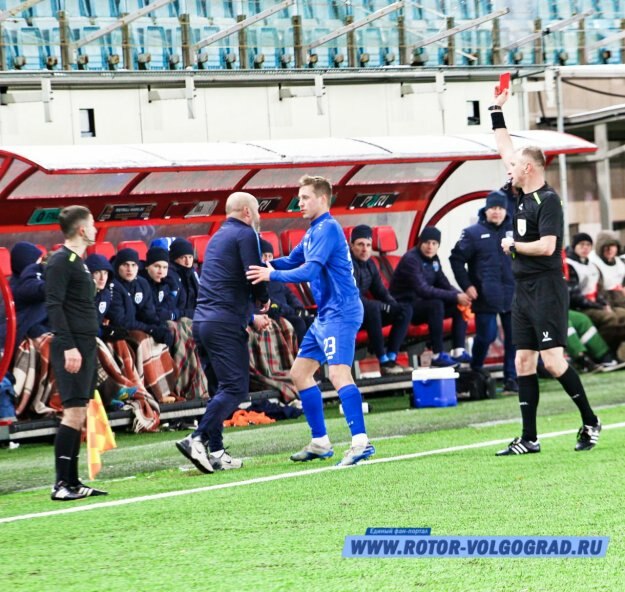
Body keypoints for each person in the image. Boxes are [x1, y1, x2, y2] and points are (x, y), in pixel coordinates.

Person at [491, 88, 601, 455]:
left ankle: (590, 421)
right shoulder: (521, 193)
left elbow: (548, 247)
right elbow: (504, 147)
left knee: (552, 361)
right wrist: (496, 109)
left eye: (513, 167)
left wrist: (513, 246)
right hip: (523, 288)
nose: (507, 169)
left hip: (547, 287)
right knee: (523, 360)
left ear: (528, 169)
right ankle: (529, 438)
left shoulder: (548, 201)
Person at [247, 175, 375, 467]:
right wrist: (262, 266)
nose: (300, 203)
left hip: (341, 312)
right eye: (300, 197)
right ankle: (320, 442)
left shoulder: (328, 228)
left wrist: (270, 274)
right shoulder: (314, 230)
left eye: (305, 197)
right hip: (327, 314)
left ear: (322, 199)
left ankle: (360, 443)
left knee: (338, 374)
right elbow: (293, 261)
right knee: (300, 373)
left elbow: (309, 271)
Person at [176, 192, 270, 474]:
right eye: (257, 211)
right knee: (236, 388)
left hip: (202, 323)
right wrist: (263, 298)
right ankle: (197, 439)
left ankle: (216, 451)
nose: (259, 217)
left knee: (218, 389)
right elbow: (254, 272)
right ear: (247, 212)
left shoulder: (217, 236)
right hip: (225, 323)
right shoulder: (246, 234)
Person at [45, 205, 107, 500]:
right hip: (72, 345)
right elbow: (54, 305)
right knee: (72, 412)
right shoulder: (61, 261)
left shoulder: (78, 262)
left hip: (85, 343)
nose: (95, 228)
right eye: (92, 224)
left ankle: (73, 481)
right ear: (82, 229)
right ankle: (61, 484)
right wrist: (69, 345)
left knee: (80, 411)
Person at [449, 190, 517, 393]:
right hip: (485, 295)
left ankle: (511, 378)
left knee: (514, 339)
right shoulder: (472, 233)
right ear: (486, 210)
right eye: (492, 208)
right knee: (487, 335)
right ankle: (476, 367)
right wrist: (467, 285)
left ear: (506, 210)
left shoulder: (515, 231)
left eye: (500, 208)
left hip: (512, 293)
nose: (496, 212)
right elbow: (456, 259)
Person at [390, 226, 472, 367]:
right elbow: (423, 290)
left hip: (422, 304)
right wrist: (455, 296)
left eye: (434, 243)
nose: (430, 247)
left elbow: (443, 283)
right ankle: (437, 354)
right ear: (420, 243)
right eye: (427, 242)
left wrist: (461, 296)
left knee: (458, 305)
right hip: (405, 305)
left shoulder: (434, 259)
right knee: (436, 304)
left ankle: (458, 351)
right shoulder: (411, 259)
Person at [349, 224, 412, 375]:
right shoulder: (346, 265)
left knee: (405, 309)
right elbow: (353, 297)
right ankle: (383, 361)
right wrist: (381, 306)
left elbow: (380, 291)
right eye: (360, 244)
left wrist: (393, 306)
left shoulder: (370, 264)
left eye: (368, 245)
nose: (365, 249)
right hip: (346, 314)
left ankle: (391, 357)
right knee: (373, 307)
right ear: (351, 245)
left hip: (365, 314)